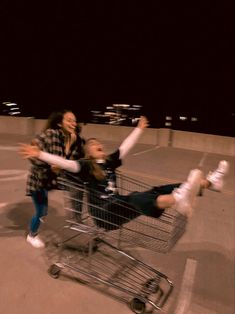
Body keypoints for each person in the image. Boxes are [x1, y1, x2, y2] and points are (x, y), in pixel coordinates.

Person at [19, 116, 229, 232]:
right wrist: (40, 154)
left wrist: (139, 129)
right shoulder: (84, 166)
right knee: (137, 198)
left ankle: (210, 182)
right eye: (92, 144)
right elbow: (64, 163)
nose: (98, 144)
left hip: (118, 205)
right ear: (87, 152)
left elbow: (125, 146)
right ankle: (179, 198)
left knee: (155, 190)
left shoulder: (109, 161)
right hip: (103, 214)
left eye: (98, 142)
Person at [24, 109, 85, 248]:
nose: (73, 123)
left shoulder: (73, 139)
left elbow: (74, 161)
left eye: (74, 120)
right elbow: (33, 152)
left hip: (52, 179)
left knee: (79, 185)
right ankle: (31, 235)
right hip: (38, 180)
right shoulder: (51, 134)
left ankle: (77, 218)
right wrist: (48, 166)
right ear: (59, 123)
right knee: (42, 211)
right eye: (69, 120)